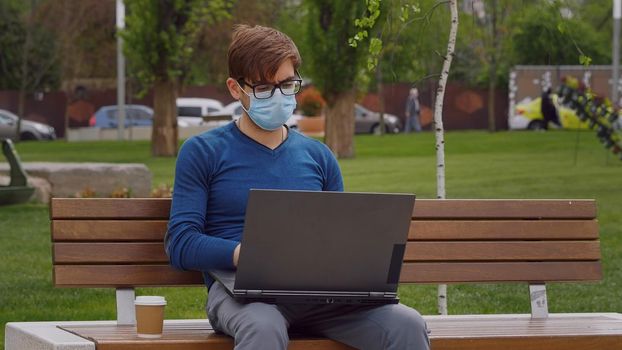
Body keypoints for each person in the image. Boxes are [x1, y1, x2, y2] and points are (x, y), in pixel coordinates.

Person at [165, 24, 430, 350]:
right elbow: (181, 243)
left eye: (287, 84)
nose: (278, 95)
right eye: (264, 87)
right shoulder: (203, 152)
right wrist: (243, 255)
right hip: (243, 295)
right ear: (236, 89)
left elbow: (339, 237)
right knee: (264, 325)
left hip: (321, 297)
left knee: (407, 324)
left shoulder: (318, 156)